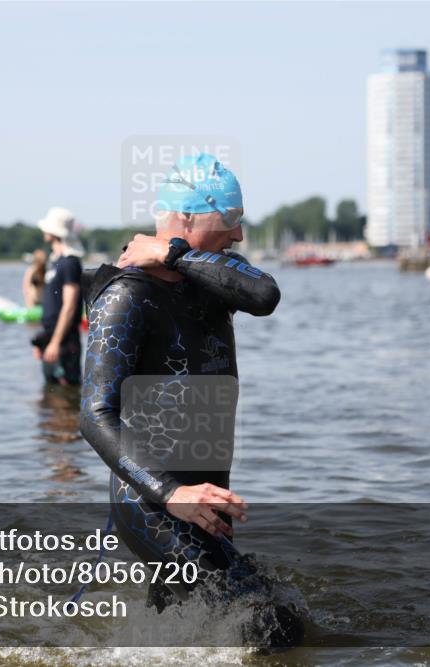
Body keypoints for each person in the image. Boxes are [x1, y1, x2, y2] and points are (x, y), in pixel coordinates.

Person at [79, 154, 301, 647]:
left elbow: (264, 295)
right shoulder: (127, 295)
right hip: (153, 499)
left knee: (185, 635)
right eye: (230, 219)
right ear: (185, 217)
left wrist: (174, 254)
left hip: (206, 496)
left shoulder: (211, 278)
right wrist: (172, 494)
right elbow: (95, 416)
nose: (238, 234)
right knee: (271, 625)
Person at [33, 207, 84, 386]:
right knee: (50, 391)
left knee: (65, 389)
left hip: (64, 341)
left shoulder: (70, 263)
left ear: (55, 232)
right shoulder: (55, 262)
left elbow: (69, 306)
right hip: (51, 337)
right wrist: (43, 342)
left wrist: (55, 342)